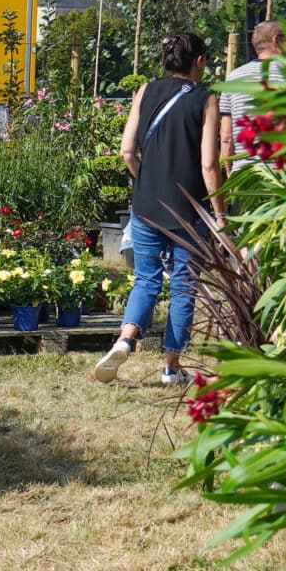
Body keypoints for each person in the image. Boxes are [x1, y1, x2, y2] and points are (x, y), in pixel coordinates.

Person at [93, 31, 222, 387]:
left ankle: (125, 339)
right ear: (198, 61)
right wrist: (221, 216)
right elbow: (209, 165)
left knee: (146, 279)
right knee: (183, 286)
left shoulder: (145, 91)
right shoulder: (206, 99)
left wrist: (145, 178)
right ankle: (172, 366)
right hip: (189, 209)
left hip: (147, 204)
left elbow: (126, 151)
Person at [218, 19, 286, 168]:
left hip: (245, 175)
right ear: (276, 41)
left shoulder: (232, 79)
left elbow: (226, 137)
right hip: (285, 176)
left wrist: (231, 174)